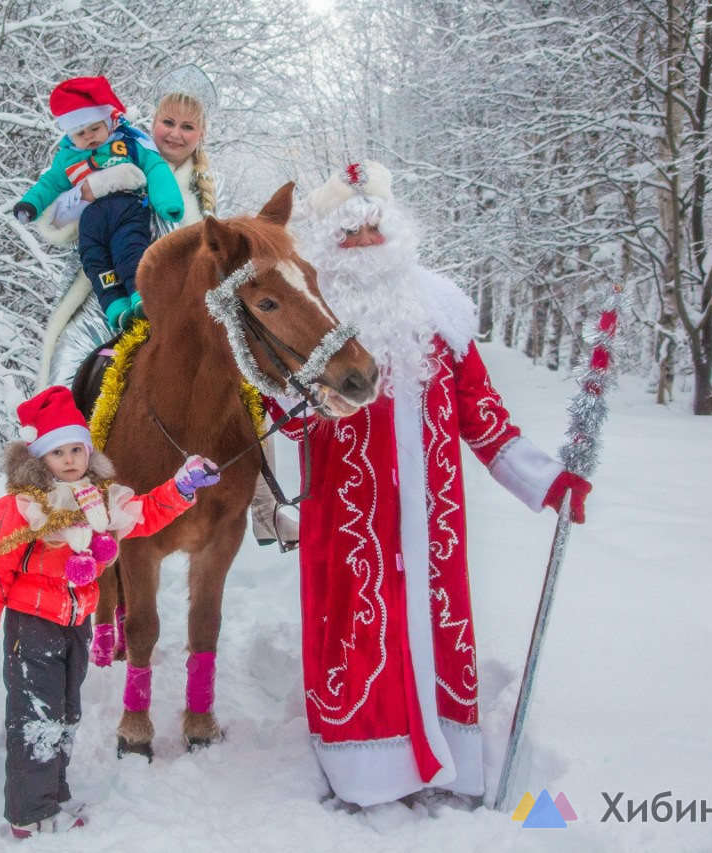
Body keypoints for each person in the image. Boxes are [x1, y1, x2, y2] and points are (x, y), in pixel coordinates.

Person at [273, 162, 593, 809]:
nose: (364, 242)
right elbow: (279, 408)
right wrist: (307, 406)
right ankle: (365, 773)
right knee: (358, 637)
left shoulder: (439, 309)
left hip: (430, 522)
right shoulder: (312, 314)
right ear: (328, 243)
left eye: (372, 229)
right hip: (349, 520)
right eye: (349, 233)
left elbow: (481, 411)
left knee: (432, 631)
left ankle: (445, 758)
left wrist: (547, 482)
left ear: (394, 232)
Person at [30, 66, 297, 554]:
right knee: (64, 387)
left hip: (178, 312)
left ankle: (266, 506)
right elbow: (52, 221)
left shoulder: (201, 191)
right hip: (106, 298)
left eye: (187, 127)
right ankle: (61, 513)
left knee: (242, 386)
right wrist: (93, 188)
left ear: (201, 135)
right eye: (167, 122)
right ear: (151, 121)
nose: (175, 134)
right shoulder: (108, 149)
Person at [0, 385, 218, 838]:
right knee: (34, 719)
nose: (71, 459)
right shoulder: (22, 508)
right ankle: (27, 815)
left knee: (63, 713)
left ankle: (52, 795)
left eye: (77, 448)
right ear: (39, 459)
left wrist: (181, 485)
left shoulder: (100, 501)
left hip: (75, 625)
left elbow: (146, 512)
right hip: (31, 627)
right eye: (59, 452)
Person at [13, 76, 185, 334]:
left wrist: (167, 202)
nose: (89, 137)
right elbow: (49, 185)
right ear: (71, 135)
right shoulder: (67, 159)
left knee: (130, 250)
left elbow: (155, 167)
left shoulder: (127, 144)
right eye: (81, 133)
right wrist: (30, 205)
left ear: (108, 121)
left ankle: (142, 296)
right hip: (90, 220)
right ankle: (116, 308)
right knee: (95, 261)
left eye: (95, 128)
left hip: (126, 209)